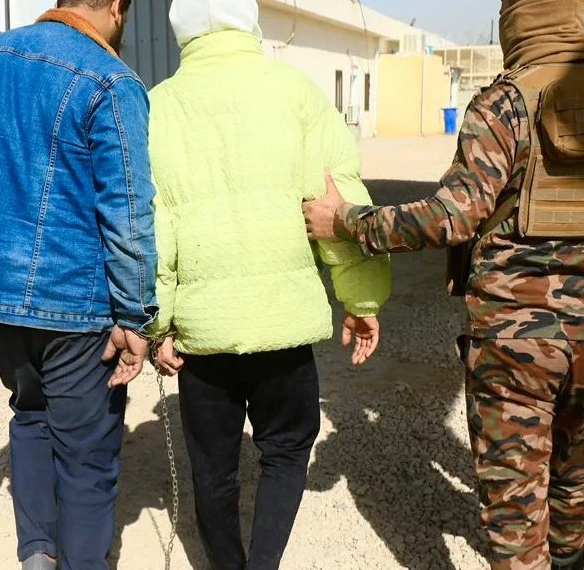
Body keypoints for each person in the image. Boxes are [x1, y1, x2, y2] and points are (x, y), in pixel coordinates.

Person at [303, 1, 584, 568]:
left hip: (513, 345)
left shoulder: (503, 104)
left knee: (514, 516)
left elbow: (451, 217)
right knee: (575, 492)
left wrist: (348, 222)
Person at [0, 1, 157, 568]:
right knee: (86, 454)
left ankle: (38, 556)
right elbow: (128, 214)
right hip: (77, 301)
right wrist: (135, 315)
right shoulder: (112, 81)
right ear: (117, 7)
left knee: (30, 413)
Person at [145, 1, 392, 568]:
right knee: (286, 450)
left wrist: (156, 322)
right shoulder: (294, 92)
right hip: (284, 325)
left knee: (212, 468)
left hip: (202, 334)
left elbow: (150, 228)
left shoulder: (158, 106)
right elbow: (336, 197)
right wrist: (361, 298)